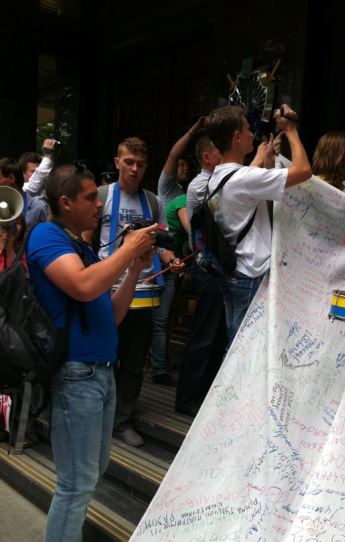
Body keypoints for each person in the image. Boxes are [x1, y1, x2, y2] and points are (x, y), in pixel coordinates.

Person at [26, 162, 157, 542]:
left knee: (91, 473)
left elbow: (113, 314)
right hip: (76, 374)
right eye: (89, 198)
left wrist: (133, 269)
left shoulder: (80, 244)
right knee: (76, 485)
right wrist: (127, 249)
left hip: (101, 372)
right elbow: (83, 286)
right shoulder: (46, 235)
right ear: (65, 202)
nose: (99, 204)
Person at [96, 137, 183, 445]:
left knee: (134, 361)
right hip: (106, 289)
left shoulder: (153, 201)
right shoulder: (101, 196)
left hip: (142, 291)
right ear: (117, 162)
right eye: (129, 162)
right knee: (103, 358)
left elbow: (161, 244)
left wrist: (170, 259)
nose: (134, 169)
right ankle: (99, 415)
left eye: (141, 164)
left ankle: (123, 420)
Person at [203, 104, 312, 344]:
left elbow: (246, 186)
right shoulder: (245, 178)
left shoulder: (216, 178)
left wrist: (265, 160)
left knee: (235, 343)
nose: (251, 134)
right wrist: (291, 130)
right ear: (237, 136)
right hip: (250, 274)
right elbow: (304, 170)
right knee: (244, 349)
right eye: (247, 129)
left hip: (230, 271)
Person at [150, 119, 205, 387]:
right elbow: (173, 155)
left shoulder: (188, 194)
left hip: (174, 261)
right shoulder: (166, 190)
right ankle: (154, 363)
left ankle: (160, 364)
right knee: (153, 320)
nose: (183, 168)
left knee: (165, 319)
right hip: (155, 259)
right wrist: (193, 131)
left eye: (186, 166)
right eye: (180, 165)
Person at [175, 136, 225, 417]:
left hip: (218, 269)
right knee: (203, 337)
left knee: (216, 337)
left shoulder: (214, 180)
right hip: (207, 268)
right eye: (219, 151)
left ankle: (203, 397)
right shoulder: (200, 184)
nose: (224, 156)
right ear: (207, 157)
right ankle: (186, 399)